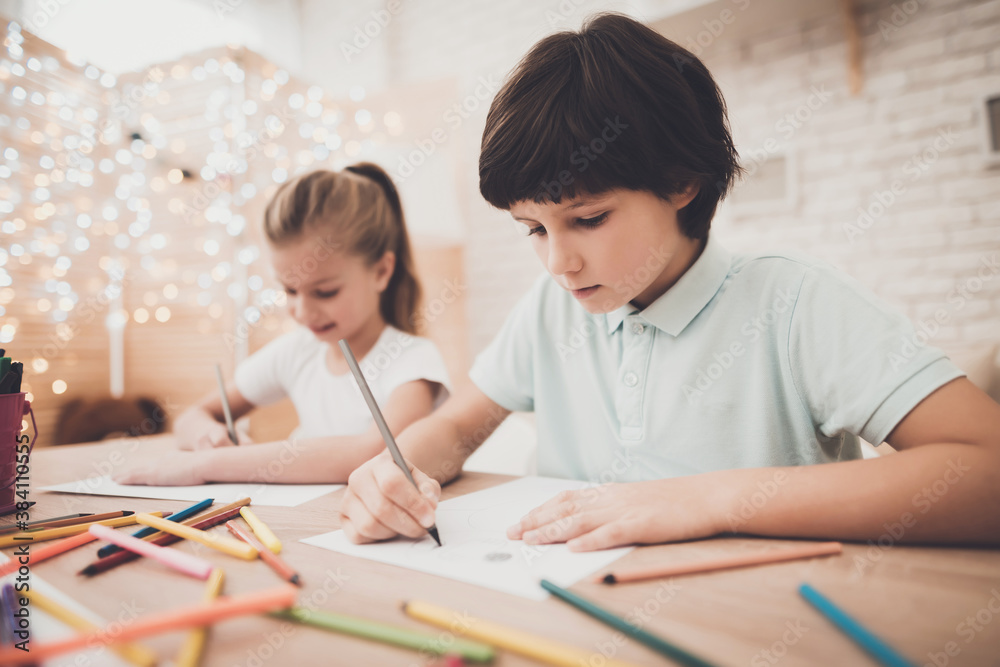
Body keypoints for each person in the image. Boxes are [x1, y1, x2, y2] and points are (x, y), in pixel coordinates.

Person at [337, 14, 1000, 550]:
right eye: (533, 229)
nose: (556, 263)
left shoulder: (793, 304)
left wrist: (708, 497)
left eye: (588, 218)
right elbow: (456, 428)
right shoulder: (553, 309)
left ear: (682, 180)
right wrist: (394, 470)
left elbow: (987, 471)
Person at [115, 164, 450, 485]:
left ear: (381, 272)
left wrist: (209, 465)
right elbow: (192, 415)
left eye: (325, 291)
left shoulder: (414, 361)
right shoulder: (298, 351)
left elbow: (373, 453)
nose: (303, 311)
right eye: (290, 290)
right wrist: (208, 437)